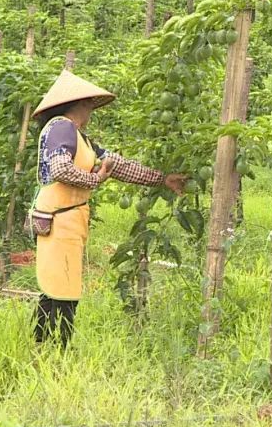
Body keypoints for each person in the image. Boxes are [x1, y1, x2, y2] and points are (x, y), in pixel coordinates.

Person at [29, 69, 186, 349]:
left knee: (57, 286)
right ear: (81, 103)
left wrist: (162, 179)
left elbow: (118, 165)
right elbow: (60, 168)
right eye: (89, 103)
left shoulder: (81, 138)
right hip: (59, 219)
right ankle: (56, 348)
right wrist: (95, 179)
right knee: (63, 289)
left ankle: (42, 345)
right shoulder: (62, 127)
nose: (92, 109)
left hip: (68, 219)